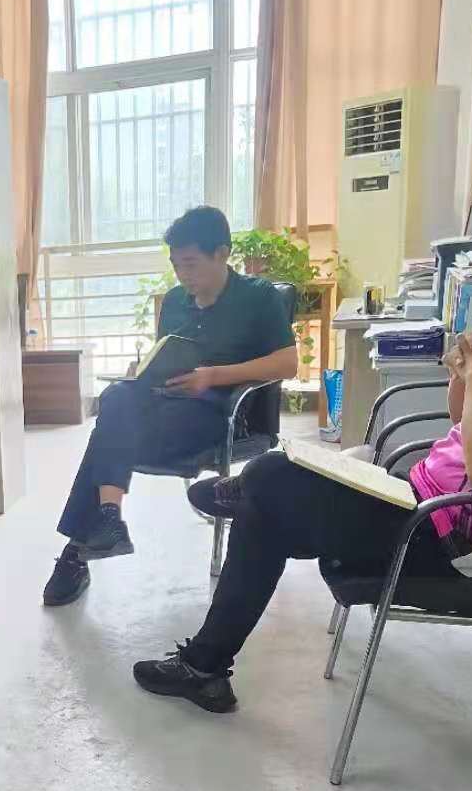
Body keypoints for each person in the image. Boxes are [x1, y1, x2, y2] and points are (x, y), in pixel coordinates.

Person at [132, 181, 472, 714]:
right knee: (271, 498)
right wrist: (466, 373)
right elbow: (466, 424)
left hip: (457, 535)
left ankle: (234, 527)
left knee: (271, 482)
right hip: (426, 500)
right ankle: (205, 665)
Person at [43, 207, 298, 606]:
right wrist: (145, 370)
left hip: (218, 413)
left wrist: (212, 376)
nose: (182, 275)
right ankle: (108, 520)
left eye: (190, 264)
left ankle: (78, 552)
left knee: (107, 437)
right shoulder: (177, 301)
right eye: (176, 265)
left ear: (222, 253)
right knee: (116, 397)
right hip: (165, 405)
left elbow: (287, 364)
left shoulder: (260, 297)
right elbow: (168, 355)